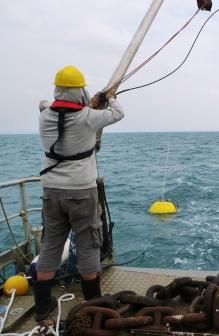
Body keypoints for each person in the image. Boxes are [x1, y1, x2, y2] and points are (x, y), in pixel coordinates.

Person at [34, 65, 124, 321]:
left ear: (57, 89)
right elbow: (118, 113)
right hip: (82, 192)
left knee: (51, 244)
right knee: (88, 244)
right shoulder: (88, 117)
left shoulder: (44, 116)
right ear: (80, 91)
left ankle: (42, 305)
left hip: (51, 190)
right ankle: (93, 303)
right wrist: (109, 97)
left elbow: (44, 104)